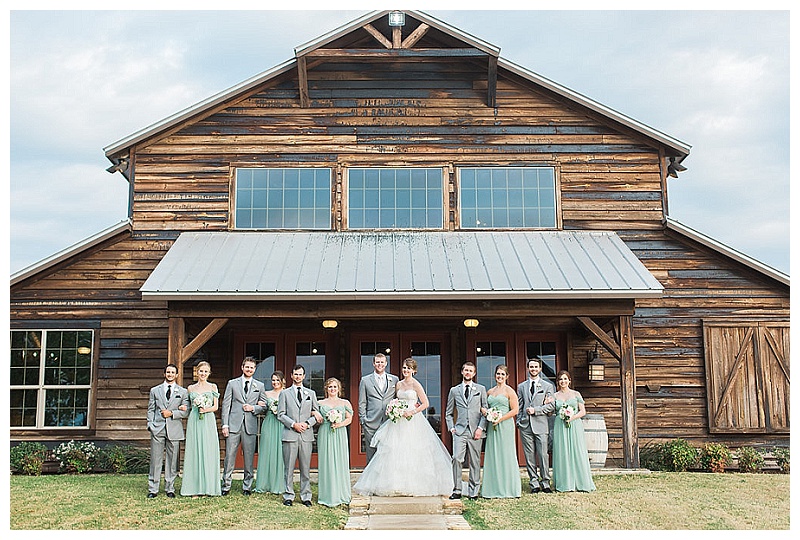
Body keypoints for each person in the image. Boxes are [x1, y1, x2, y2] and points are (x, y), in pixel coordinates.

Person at [353, 358, 454, 496]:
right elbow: (394, 400)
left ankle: (413, 484)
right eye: (404, 368)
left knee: (412, 451)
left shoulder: (416, 384)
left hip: (412, 421)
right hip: (398, 421)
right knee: (394, 451)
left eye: (408, 368)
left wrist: (412, 411)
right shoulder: (398, 384)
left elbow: (425, 403)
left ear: (414, 370)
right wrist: (394, 409)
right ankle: (394, 483)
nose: (406, 370)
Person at [221, 356, 268, 496]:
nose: (249, 369)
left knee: (248, 457)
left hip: (250, 425)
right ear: (242, 367)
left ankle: (247, 486)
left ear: (254, 369)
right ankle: (226, 485)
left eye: (252, 367)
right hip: (233, 424)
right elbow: (226, 405)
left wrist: (253, 408)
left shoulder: (259, 386)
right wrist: (225, 424)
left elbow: (265, 406)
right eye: (247, 367)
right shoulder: (232, 383)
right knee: (229, 456)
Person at [277, 364, 319, 506]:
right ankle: (288, 495)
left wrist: (307, 423)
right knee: (288, 468)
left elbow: (317, 414)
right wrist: (294, 424)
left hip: (306, 435)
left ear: (304, 376)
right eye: (295, 374)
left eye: (300, 374)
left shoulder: (311, 393)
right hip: (290, 434)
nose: (298, 377)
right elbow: (280, 414)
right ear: (291, 375)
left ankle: (306, 496)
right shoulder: (284, 393)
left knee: (305, 468)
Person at [445, 361, 488, 500]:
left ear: (474, 374)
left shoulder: (481, 389)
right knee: (457, 458)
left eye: (471, 371)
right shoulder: (454, 390)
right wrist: (452, 428)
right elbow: (448, 413)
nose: (468, 372)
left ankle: (473, 491)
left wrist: (480, 428)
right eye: (466, 370)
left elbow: (485, 411)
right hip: (460, 431)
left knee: (475, 461)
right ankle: (457, 489)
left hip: (476, 431)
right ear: (462, 372)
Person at [146, 363, 190, 498]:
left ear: (177, 375)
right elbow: (151, 409)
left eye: (173, 372)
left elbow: (186, 412)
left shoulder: (183, 392)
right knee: (156, 460)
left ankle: (170, 488)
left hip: (174, 429)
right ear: (164, 374)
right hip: (158, 429)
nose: (170, 374)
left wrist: (172, 413)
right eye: (168, 372)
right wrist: (150, 425)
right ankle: (153, 489)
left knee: (172, 461)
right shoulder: (155, 390)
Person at [180, 361, 221, 497]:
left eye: (205, 371)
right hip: (194, 420)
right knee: (194, 451)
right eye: (201, 371)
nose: (203, 374)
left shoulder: (213, 387)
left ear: (209, 373)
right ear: (196, 372)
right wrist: (184, 407)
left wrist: (205, 409)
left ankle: (207, 488)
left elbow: (216, 407)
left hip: (208, 420)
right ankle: (193, 489)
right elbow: (187, 405)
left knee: (208, 451)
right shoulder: (191, 388)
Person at [551, 370, 596, 492]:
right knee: (562, 452)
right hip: (560, 425)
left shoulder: (576, 394)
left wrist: (572, 417)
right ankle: (564, 482)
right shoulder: (555, 396)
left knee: (577, 451)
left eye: (565, 379)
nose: (563, 381)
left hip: (574, 424)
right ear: (558, 382)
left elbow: (583, 411)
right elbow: (551, 411)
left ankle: (580, 482)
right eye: (561, 379)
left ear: (569, 381)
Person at [481, 364, 521, 498]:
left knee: (506, 453)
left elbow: (515, 410)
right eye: (498, 374)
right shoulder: (489, 392)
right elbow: (485, 407)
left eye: (503, 374)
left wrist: (500, 419)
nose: (500, 376)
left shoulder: (510, 391)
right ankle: (493, 488)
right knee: (493, 454)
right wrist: (485, 412)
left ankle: (509, 488)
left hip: (505, 425)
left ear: (507, 376)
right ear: (495, 375)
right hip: (492, 426)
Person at [516, 356, 556, 493]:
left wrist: (536, 410)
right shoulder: (521, 386)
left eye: (536, 367)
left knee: (543, 454)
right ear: (528, 368)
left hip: (541, 424)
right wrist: (519, 421)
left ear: (539, 369)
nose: (533, 369)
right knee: (529, 455)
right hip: (525, 425)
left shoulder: (547, 386)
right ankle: (534, 482)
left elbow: (551, 406)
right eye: (531, 367)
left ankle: (545, 482)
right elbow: (520, 405)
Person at [316, 377, 353, 507]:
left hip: (339, 433)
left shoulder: (345, 403)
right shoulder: (320, 403)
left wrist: (340, 424)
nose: (332, 389)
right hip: (325, 432)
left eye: (335, 387)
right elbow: (313, 413)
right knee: (327, 461)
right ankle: (327, 494)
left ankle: (341, 494)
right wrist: (316, 414)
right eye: (330, 387)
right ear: (326, 389)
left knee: (340, 461)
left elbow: (350, 419)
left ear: (339, 389)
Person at [358, 353, 399, 464]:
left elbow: (399, 398)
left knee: (388, 454)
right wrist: (363, 420)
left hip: (388, 422)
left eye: (382, 362)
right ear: (373, 364)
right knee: (371, 455)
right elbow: (362, 403)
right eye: (377, 362)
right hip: (371, 423)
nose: (379, 364)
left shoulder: (394, 380)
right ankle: (371, 481)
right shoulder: (365, 380)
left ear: (386, 363)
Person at [254, 370, 286, 494]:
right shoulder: (266, 394)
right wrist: (260, 405)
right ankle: (264, 483)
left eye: (277, 380)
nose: (275, 382)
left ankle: (278, 484)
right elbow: (261, 407)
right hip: (269, 423)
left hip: (282, 425)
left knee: (280, 452)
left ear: (282, 381)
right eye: (273, 380)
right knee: (267, 451)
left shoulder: (286, 393)